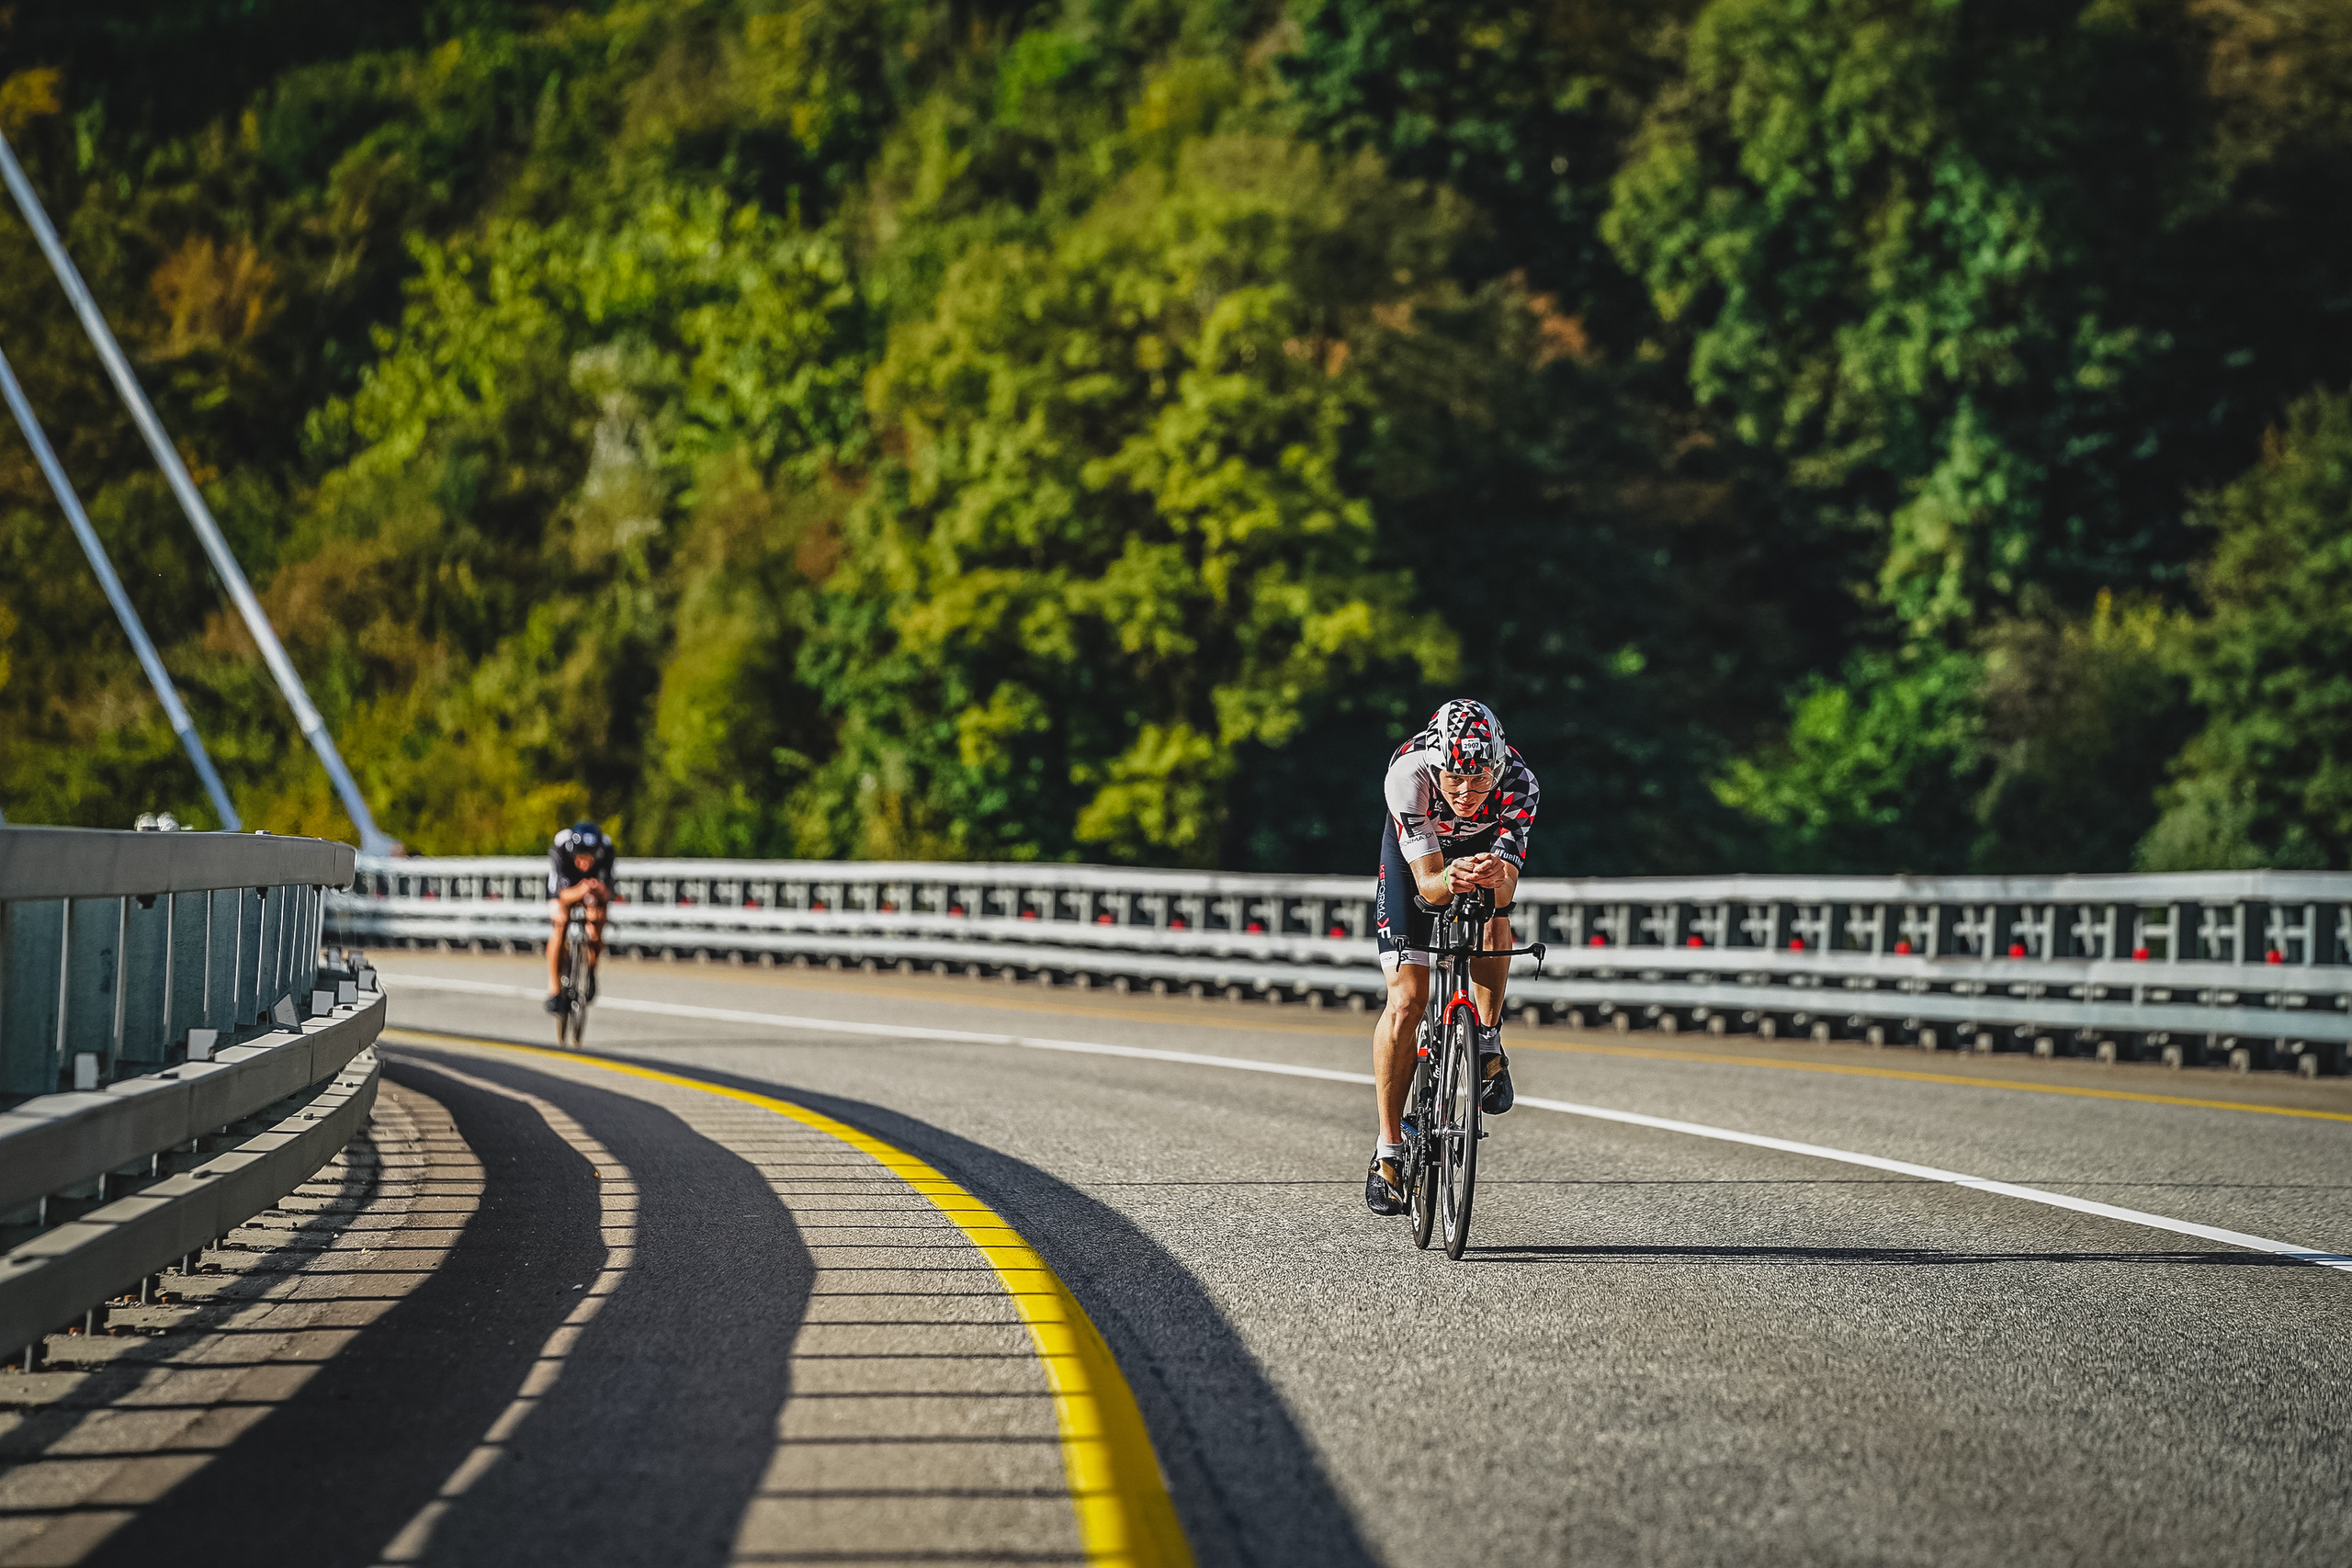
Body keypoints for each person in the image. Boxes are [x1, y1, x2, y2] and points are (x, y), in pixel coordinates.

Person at [1364, 700, 1541, 1215]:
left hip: (1483, 851)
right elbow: (1427, 885)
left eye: (1479, 779)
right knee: (1407, 1000)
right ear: (1436, 766)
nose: (1466, 793)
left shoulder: (1520, 783)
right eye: (1455, 779)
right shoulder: (1407, 774)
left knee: (1495, 914)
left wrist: (1492, 878)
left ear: (1498, 766)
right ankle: (1389, 1149)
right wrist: (1448, 878)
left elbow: (1507, 887)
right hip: (1415, 860)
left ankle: (1487, 1038)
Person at [545, 820, 616, 1012]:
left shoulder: (606, 849)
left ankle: (591, 970)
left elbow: (607, 893)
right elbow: (562, 894)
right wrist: (581, 890)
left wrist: (597, 891)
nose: (584, 862)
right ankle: (554, 988)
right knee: (560, 922)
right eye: (580, 857)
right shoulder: (562, 846)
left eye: (589, 857)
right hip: (566, 886)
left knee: (597, 921)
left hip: (593, 887)